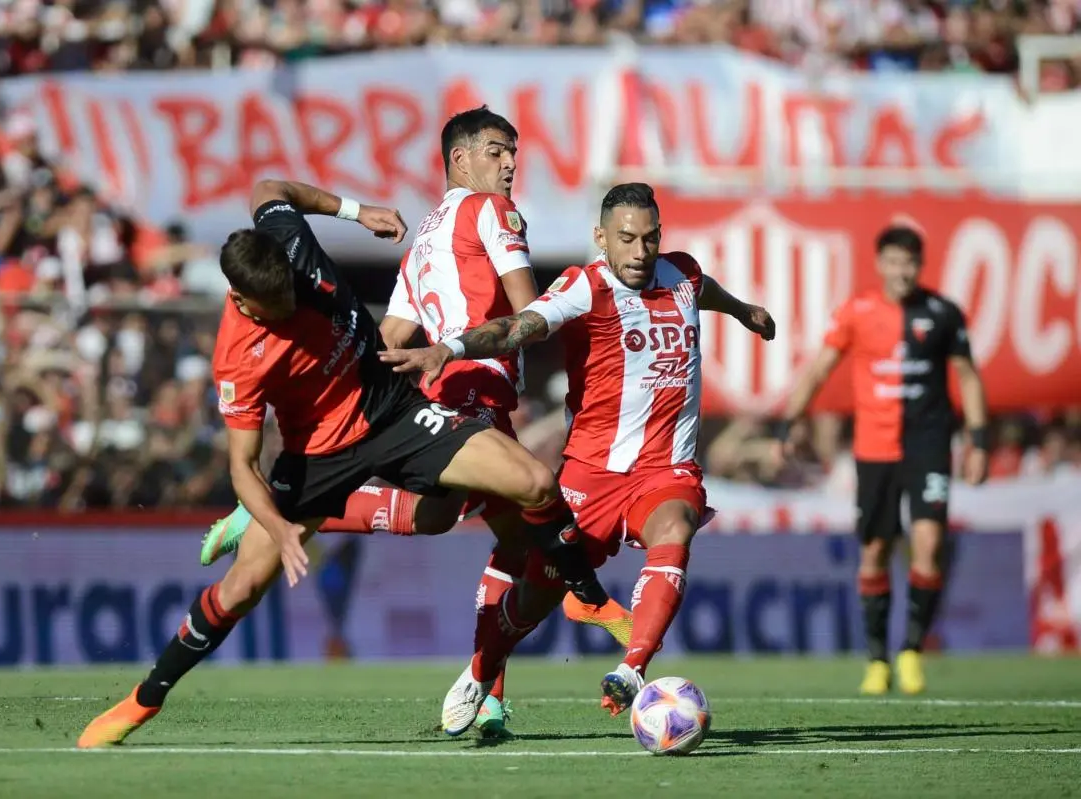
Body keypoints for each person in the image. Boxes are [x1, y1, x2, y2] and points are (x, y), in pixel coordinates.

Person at [77, 178, 610, 748]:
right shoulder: (238, 360)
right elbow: (242, 466)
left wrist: (358, 212)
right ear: (240, 301)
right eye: (276, 308)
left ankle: (584, 592)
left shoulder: (289, 241)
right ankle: (143, 701)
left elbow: (267, 187)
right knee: (241, 589)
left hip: (393, 412)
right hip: (318, 456)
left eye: (290, 291)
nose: (291, 306)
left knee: (528, 481)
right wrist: (281, 530)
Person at [194, 107, 633, 736]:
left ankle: (487, 688)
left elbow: (388, 342)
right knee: (520, 525)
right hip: (472, 390)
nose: (509, 163)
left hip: (440, 392)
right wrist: (594, 321)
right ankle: (493, 679)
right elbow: (527, 309)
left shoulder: (425, 241)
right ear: (460, 160)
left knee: (454, 522)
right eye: (495, 151)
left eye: (513, 152)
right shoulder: (495, 214)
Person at [380, 183, 776, 733]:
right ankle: (480, 670)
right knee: (537, 592)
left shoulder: (680, 273)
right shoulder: (585, 286)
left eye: (650, 238)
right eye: (627, 239)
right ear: (602, 239)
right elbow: (519, 327)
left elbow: (704, 287)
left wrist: (743, 310)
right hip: (591, 474)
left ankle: (632, 668)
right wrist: (451, 347)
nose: (640, 252)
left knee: (676, 527)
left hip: (667, 468)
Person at [776, 223, 988, 696]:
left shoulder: (943, 314)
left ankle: (912, 650)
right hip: (874, 449)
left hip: (928, 445)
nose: (902, 271)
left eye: (910, 262)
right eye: (893, 261)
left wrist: (979, 442)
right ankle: (877, 660)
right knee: (874, 552)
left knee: (929, 544)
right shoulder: (857, 312)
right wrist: (790, 421)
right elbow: (819, 368)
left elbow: (968, 379)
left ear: (920, 265)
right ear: (880, 264)